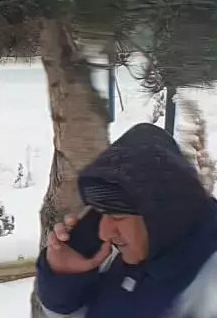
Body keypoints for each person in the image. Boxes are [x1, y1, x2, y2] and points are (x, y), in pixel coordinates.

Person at [37, 123, 217, 318]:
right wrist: (64, 277)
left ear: (163, 217)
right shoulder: (115, 257)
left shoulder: (207, 286)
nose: (104, 232)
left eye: (117, 216)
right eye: (101, 213)